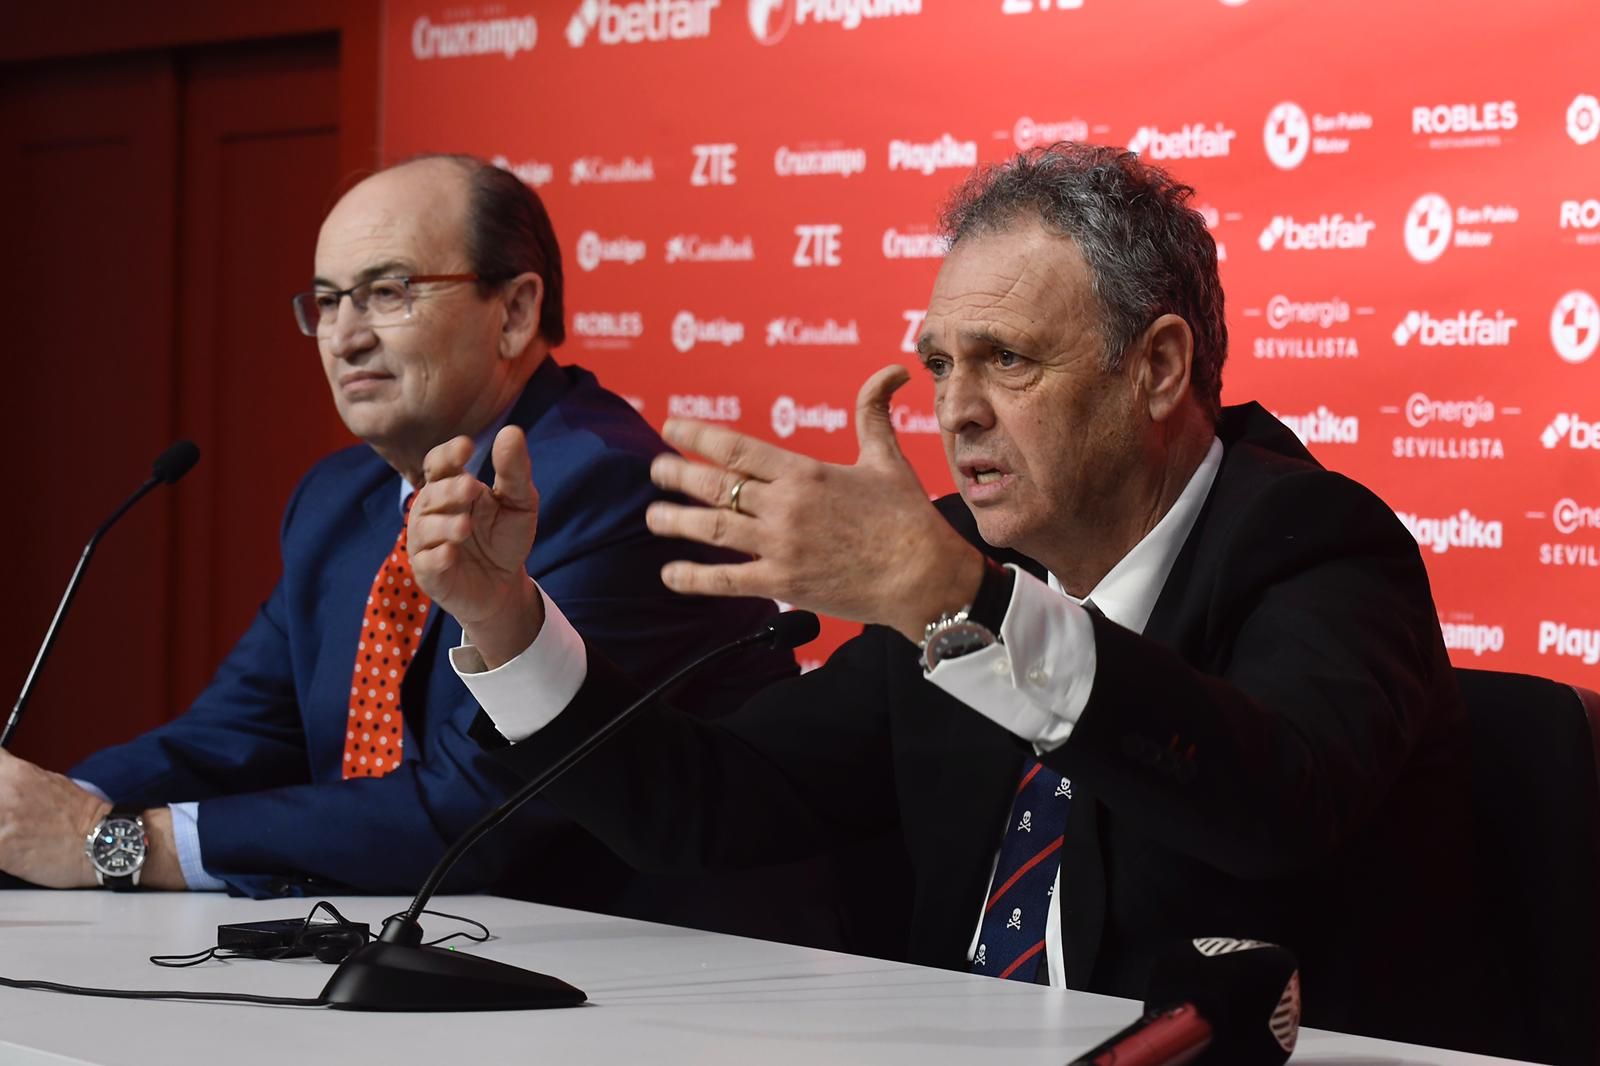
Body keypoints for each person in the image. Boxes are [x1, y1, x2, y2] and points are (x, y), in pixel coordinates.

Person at [410, 144, 1482, 1046]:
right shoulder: (958, 559)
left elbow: (1276, 804)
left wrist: (958, 599)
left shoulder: (1317, 546)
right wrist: (506, 622)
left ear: (1156, 367)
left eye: (1005, 360)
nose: (955, 411)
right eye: (936, 366)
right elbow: (716, 803)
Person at [0, 154, 793, 900]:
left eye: (388, 291)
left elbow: (475, 811)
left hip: (629, 985)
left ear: (515, 312)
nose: (344, 335)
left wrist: (114, 845)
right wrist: (49, 812)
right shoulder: (339, 498)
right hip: (411, 954)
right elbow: (238, 732)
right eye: (329, 299)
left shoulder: (605, 489)